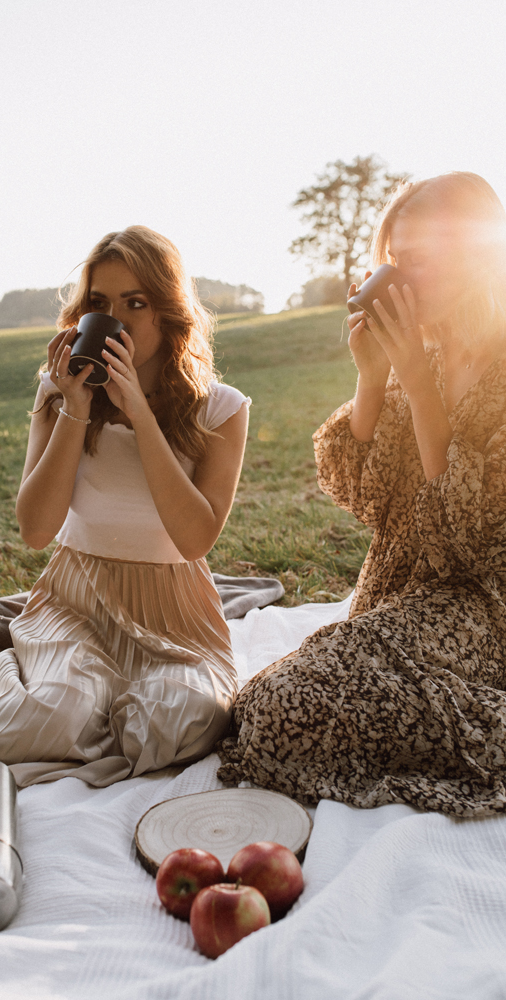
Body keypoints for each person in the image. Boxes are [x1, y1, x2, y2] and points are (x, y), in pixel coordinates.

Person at [0, 226, 250, 787]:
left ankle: (40, 714)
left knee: (185, 718)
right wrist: (74, 408)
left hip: (175, 614)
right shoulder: (56, 393)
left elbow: (195, 539)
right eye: (101, 305)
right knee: (61, 710)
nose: (118, 320)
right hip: (76, 599)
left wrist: (140, 414)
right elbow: (36, 529)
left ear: (168, 312)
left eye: (136, 303)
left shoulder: (220, 409)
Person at [218, 172, 506, 817]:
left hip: (486, 608)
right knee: (258, 707)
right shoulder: (421, 358)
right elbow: (360, 494)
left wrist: (415, 383)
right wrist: (373, 379)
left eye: (419, 262)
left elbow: (471, 544)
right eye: (393, 261)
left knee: (280, 714)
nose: (399, 278)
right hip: (400, 597)